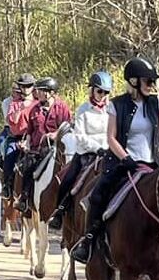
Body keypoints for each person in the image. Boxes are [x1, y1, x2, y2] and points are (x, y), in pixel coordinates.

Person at [70, 57, 159, 262]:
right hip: (123, 163)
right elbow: (111, 137)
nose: (151, 85)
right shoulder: (117, 105)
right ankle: (88, 241)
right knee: (98, 194)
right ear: (134, 81)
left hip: (152, 164)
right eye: (148, 81)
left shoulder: (156, 103)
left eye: (153, 81)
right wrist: (126, 158)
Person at [48, 71, 115, 230]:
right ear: (92, 90)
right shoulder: (83, 110)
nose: (103, 95)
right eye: (100, 91)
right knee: (68, 179)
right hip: (86, 153)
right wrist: (97, 148)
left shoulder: (112, 109)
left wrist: (111, 147)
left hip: (109, 153)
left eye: (106, 92)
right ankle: (59, 212)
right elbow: (80, 136)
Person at [12, 77, 71, 213]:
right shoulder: (35, 109)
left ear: (50, 92)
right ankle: (24, 199)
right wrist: (26, 143)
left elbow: (67, 127)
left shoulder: (62, 107)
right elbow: (30, 130)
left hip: (56, 148)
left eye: (41, 90)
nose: (37, 92)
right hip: (37, 149)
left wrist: (55, 134)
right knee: (27, 167)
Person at [0, 73, 38, 197]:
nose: (25, 89)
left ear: (33, 87)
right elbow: (13, 121)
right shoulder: (14, 103)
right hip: (17, 139)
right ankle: (7, 186)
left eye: (28, 86)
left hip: (33, 139)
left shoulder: (38, 103)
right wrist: (20, 108)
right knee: (9, 157)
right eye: (23, 86)